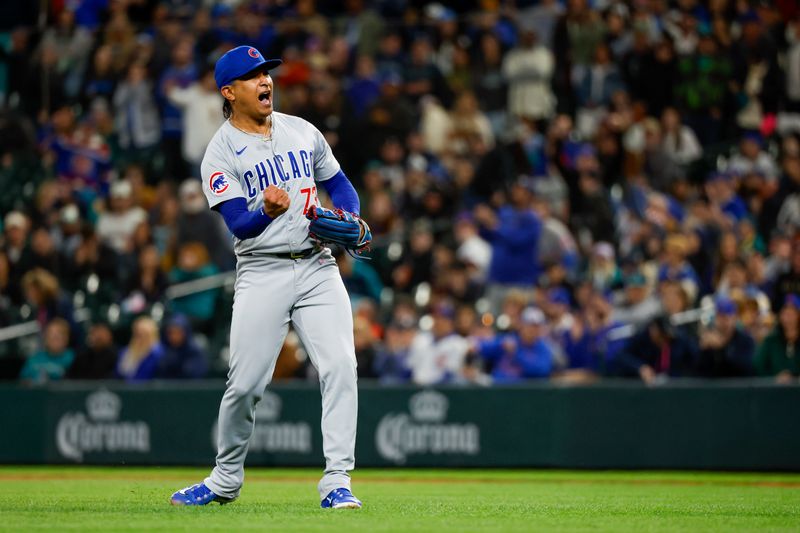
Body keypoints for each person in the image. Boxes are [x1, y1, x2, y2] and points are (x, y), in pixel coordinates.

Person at [170, 46, 364, 509]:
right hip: (262, 269)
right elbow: (238, 224)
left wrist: (352, 217)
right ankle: (224, 479)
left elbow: (339, 184)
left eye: (267, 73)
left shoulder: (302, 131)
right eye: (253, 75)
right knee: (245, 385)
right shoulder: (219, 152)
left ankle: (338, 482)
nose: (265, 81)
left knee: (341, 367)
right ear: (229, 91)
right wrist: (264, 210)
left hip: (317, 264)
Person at [18, 318, 74, 384]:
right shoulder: (34, 359)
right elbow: (22, 383)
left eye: (58, 334)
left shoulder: (73, 359)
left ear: (66, 337)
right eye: (50, 334)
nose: (53, 338)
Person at [116, 316, 164, 382]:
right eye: (138, 334)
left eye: (145, 334)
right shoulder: (125, 352)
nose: (141, 337)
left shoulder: (158, 353)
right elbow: (119, 375)